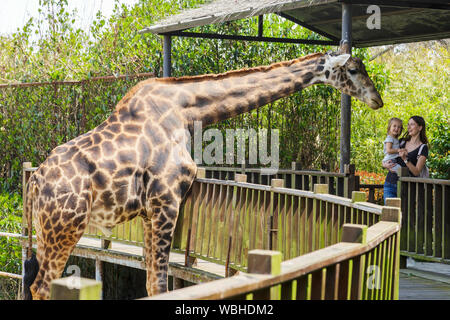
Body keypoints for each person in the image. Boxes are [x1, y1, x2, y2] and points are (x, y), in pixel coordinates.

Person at [383, 116, 429, 204]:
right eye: (408, 125)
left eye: (412, 124)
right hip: (390, 183)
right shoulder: (401, 142)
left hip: (407, 188)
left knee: (404, 216)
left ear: (420, 127)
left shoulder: (423, 148)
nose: (408, 127)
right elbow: (388, 156)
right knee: (389, 214)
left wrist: (405, 159)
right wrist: (384, 165)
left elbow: (416, 172)